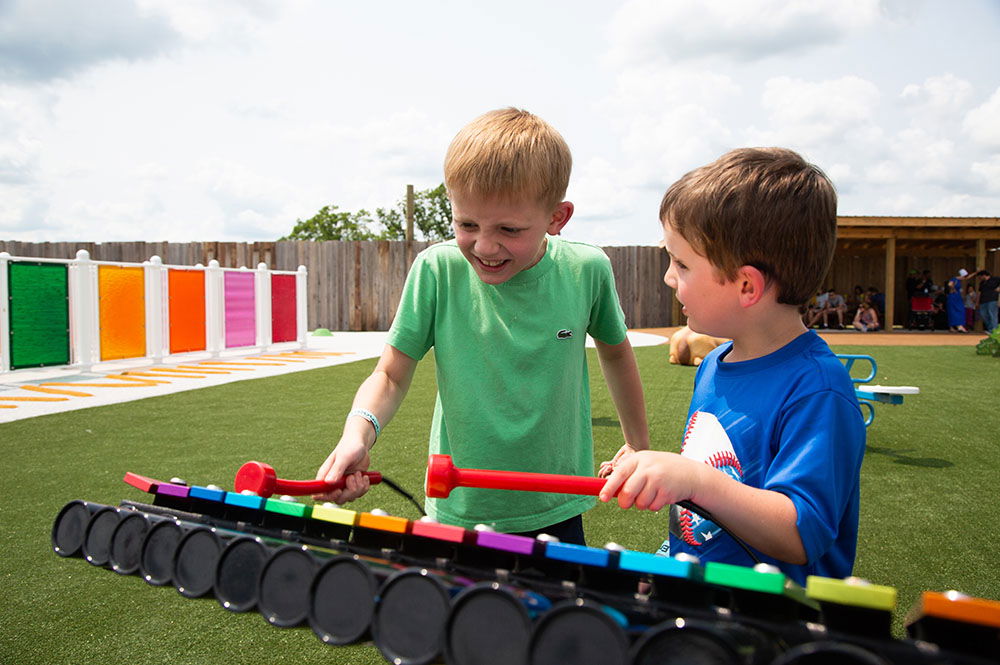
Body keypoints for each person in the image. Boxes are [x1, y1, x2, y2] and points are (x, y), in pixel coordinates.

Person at [313, 108, 650, 545]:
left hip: (559, 503)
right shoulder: (437, 270)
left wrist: (638, 447)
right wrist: (356, 434)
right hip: (459, 505)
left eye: (509, 229)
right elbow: (390, 375)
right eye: (467, 224)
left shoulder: (587, 269)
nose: (486, 246)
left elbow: (616, 352)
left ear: (557, 218)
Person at [599, 147, 866, 584]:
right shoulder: (714, 364)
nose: (669, 277)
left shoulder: (817, 389)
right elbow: (715, 476)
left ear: (746, 285)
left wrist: (694, 481)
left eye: (681, 263)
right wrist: (653, 468)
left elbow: (802, 532)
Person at [945, 268, 972, 333]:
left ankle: (952, 327)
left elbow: (968, 277)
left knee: (953, 311)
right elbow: (950, 284)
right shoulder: (954, 279)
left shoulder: (958, 279)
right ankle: (959, 326)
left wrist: (976, 272)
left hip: (956, 297)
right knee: (959, 311)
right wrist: (953, 289)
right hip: (954, 297)